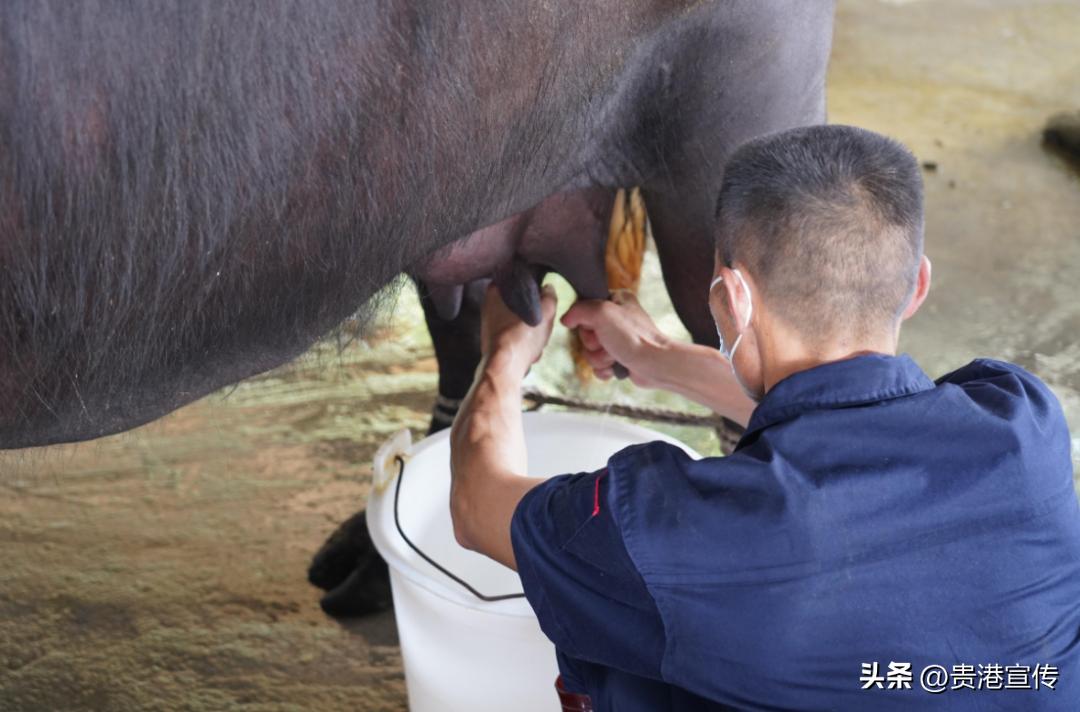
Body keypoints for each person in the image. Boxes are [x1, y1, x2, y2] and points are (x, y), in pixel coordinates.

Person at [447, 125, 1080, 710]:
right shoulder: (1024, 423)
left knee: (611, 612)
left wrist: (504, 356)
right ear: (918, 285)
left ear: (730, 296)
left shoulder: (684, 532)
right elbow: (849, 409)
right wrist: (658, 358)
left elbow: (478, 507)